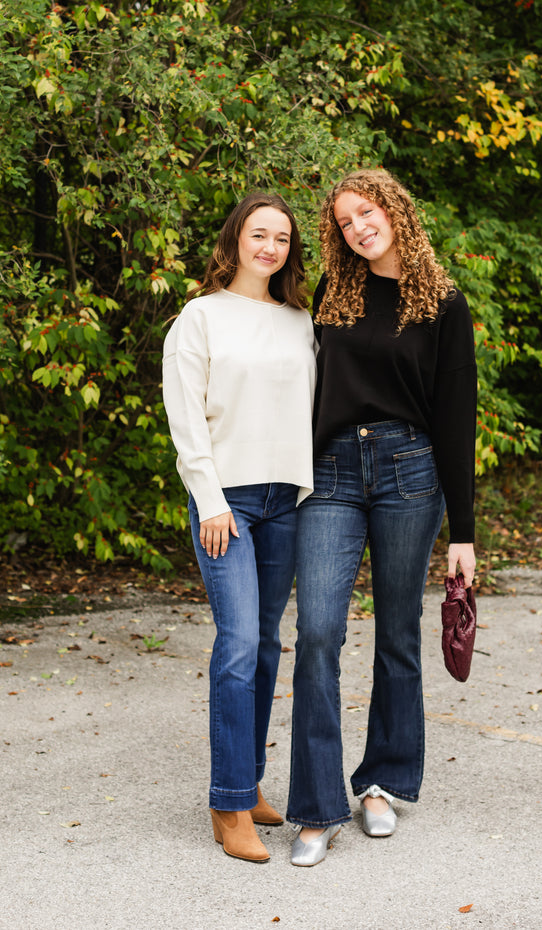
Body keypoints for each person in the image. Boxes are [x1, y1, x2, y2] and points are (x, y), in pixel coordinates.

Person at [287, 169, 477, 866]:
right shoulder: (335, 294)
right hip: (332, 473)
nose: (357, 227)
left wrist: (465, 532)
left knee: (399, 633)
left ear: (393, 209)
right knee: (317, 633)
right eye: (343, 221)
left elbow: (457, 419)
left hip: (410, 473)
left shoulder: (443, 303)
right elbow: (303, 392)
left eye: (365, 211)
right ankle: (315, 807)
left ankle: (380, 784)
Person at [162, 192, 316, 863]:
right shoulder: (199, 318)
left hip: (287, 497)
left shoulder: (299, 319)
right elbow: (185, 416)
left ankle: (247, 781)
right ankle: (227, 805)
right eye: (259, 234)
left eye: (281, 238)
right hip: (227, 501)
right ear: (236, 240)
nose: (270, 247)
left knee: (266, 645)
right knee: (238, 639)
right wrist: (210, 496)